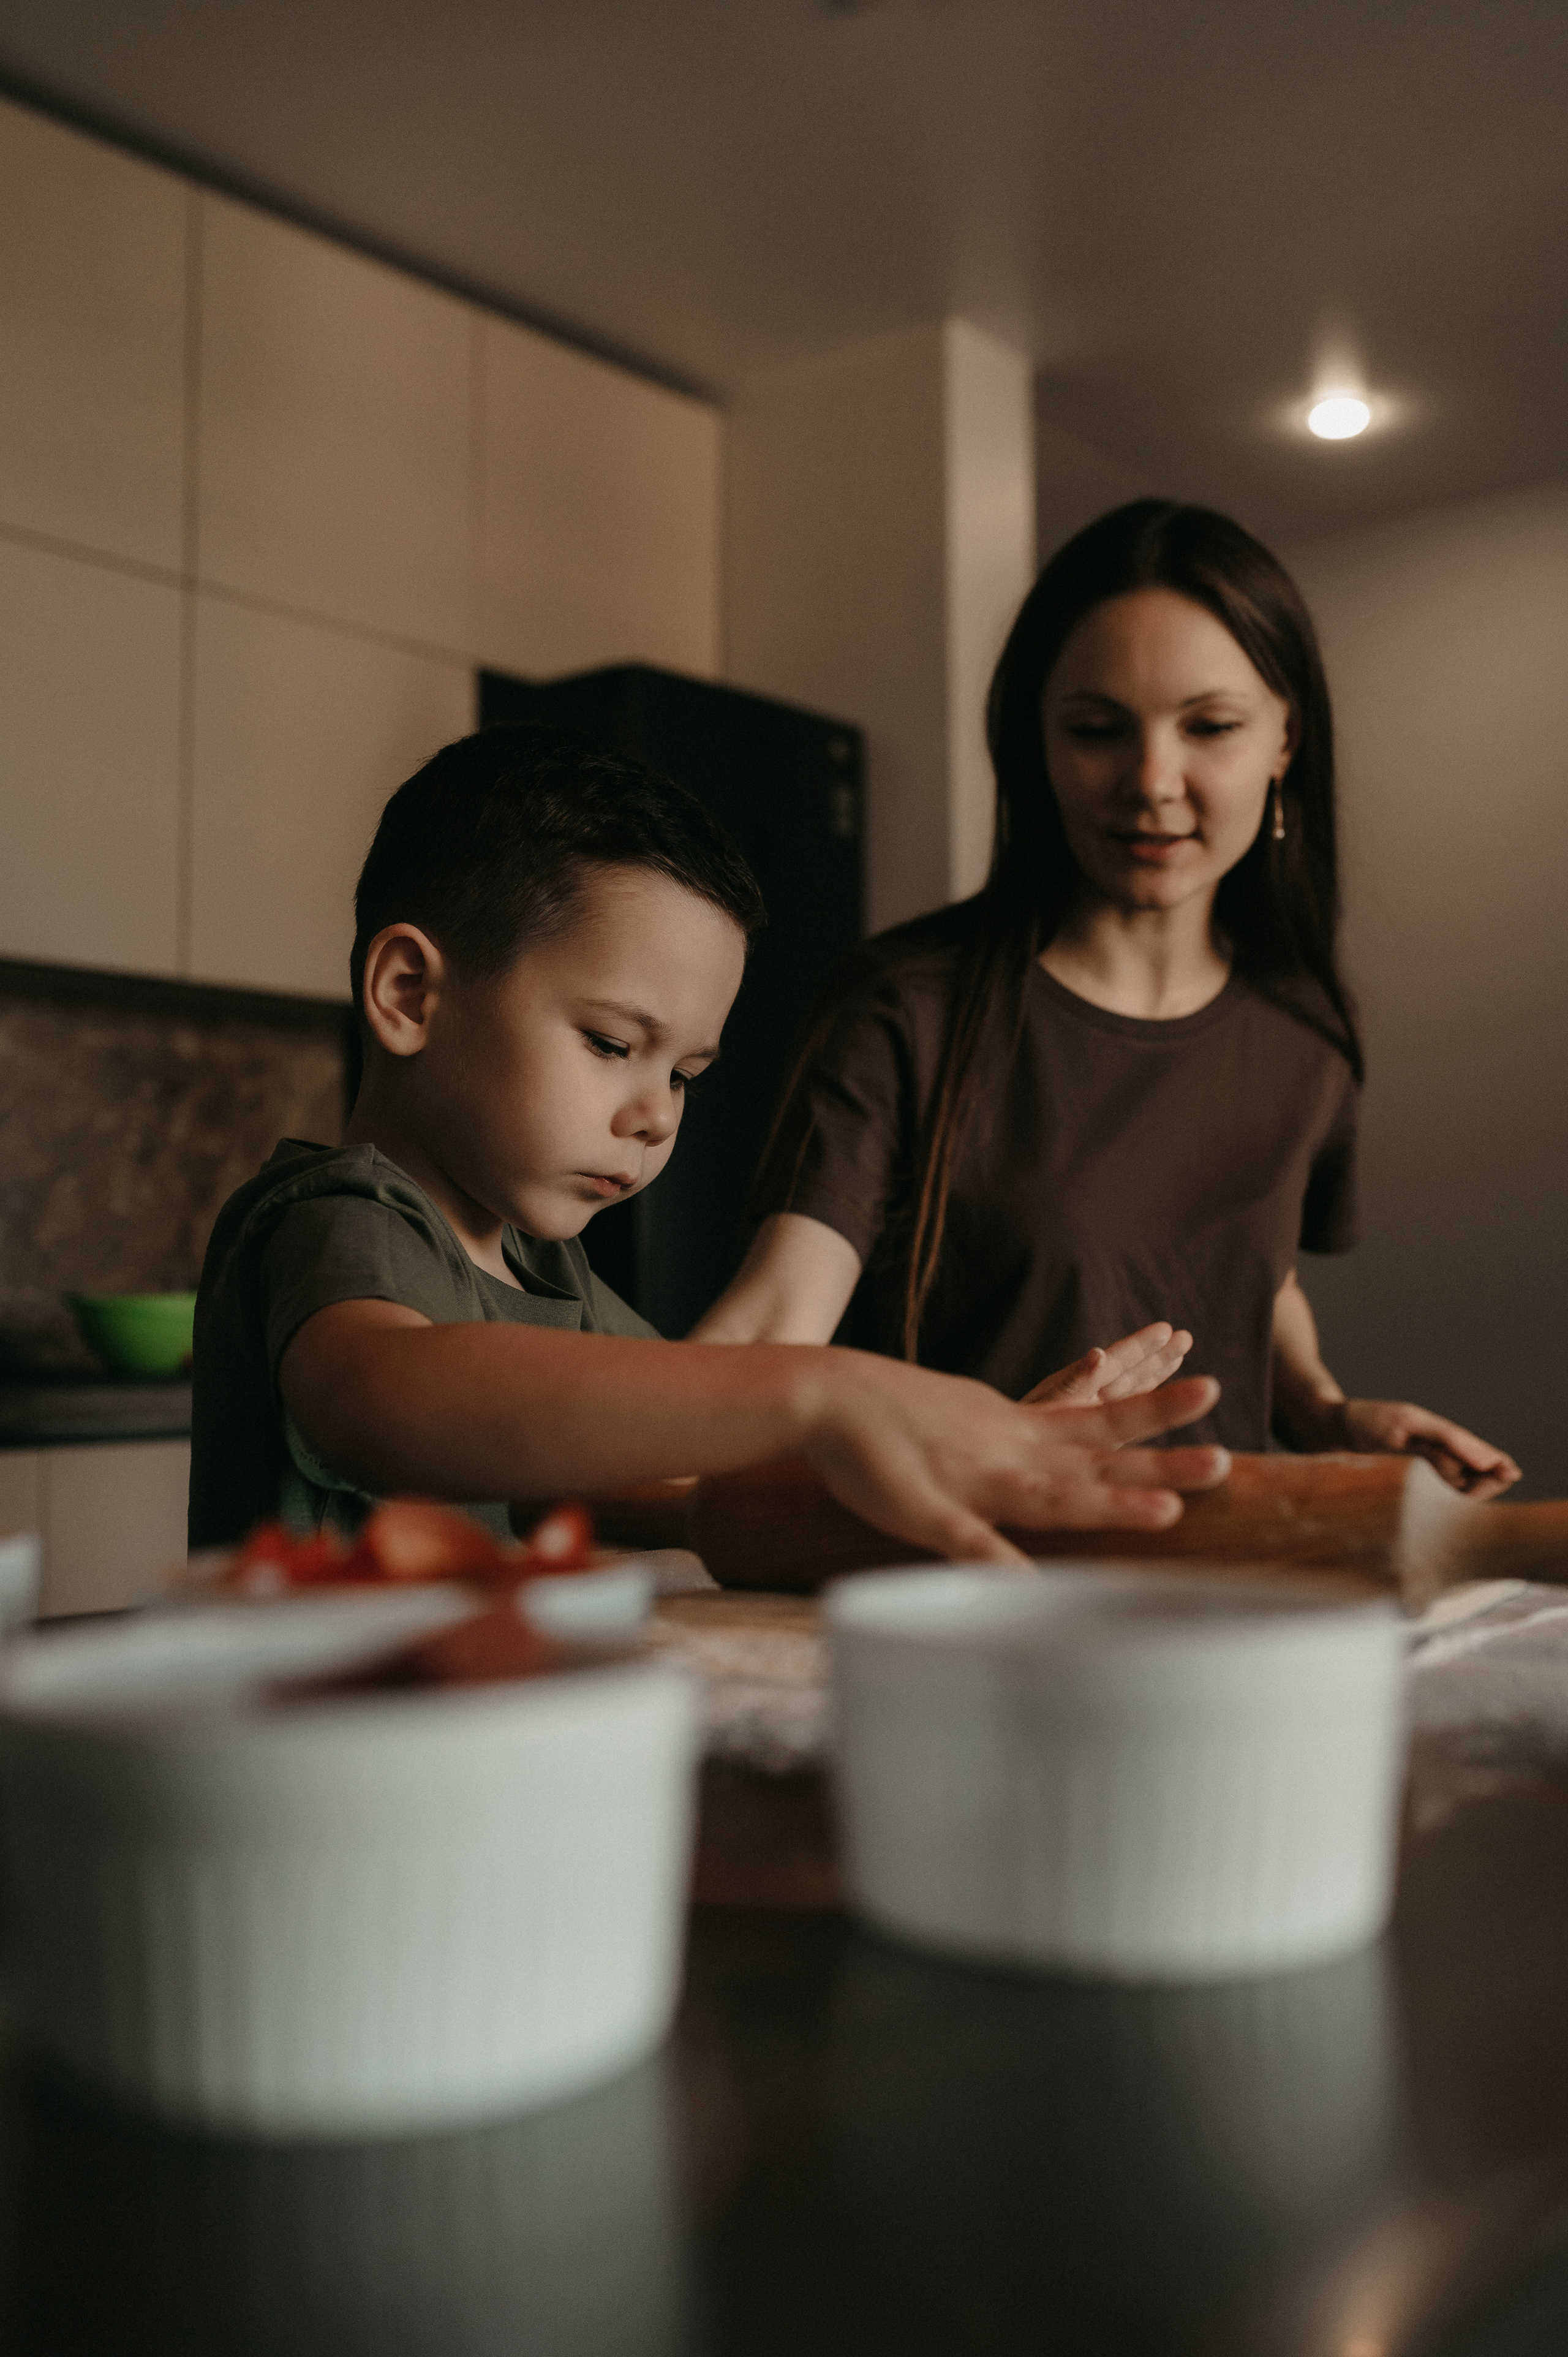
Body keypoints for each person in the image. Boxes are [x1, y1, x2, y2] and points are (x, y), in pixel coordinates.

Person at [189, 724, 1232, 1565]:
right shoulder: (336, 1221)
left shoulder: (556, 1284)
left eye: (684, 1074)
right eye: (611, 1044)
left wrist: (968, 1458)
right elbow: (384, 1400)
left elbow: (697, 1488)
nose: (657, 1115)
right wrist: (826, 1390)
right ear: (411, 994)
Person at [695, 501, 1518, 1498]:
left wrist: (1330, 1410)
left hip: (1233, 1581)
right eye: (1096, 730)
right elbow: (775, 1329)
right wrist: (592, 1462)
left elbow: (1257, 1276)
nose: (1152, 781)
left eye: (1210, 727)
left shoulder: (1307, 1036)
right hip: (981, 1584)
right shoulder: (909, 1007)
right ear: (1035, 743)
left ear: (1286, 740)